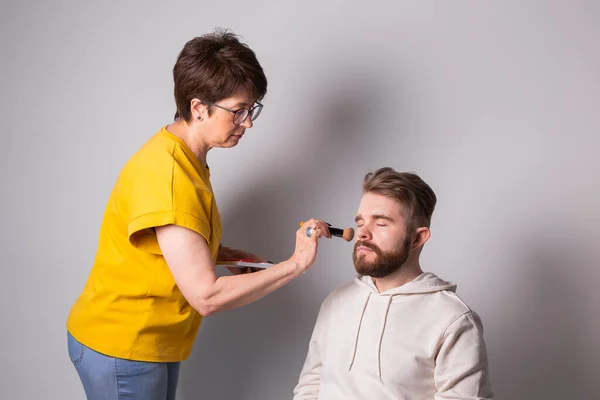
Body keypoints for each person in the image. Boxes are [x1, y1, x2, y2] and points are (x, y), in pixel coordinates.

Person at [66, 29, 331, 400]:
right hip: (123, 348)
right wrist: (296, 264)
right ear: (198, 107)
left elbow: (171, 240)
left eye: (252, 109)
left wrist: (227, 255)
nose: (248, 122)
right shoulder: (170, 177)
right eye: (239, 111)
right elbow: (206, 296)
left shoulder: (182, 156)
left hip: (146, 344)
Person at [293, 167, 493, 399]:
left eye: (381, 223)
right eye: (360, 223)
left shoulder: (453, 319)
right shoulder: (336, 301)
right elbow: (311, 384)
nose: (363, 234)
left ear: (417, 238)